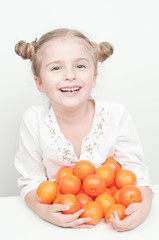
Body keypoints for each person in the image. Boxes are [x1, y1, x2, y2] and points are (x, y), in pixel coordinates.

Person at [14, 28, 152, 231]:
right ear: (40, 83)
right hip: (57, 227)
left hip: (110, 222)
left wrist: (143, 207)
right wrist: (44, 212)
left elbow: (137, 175)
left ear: (94, 77)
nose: (70, 75)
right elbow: (30, 181)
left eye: (80, 66)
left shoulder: (116, 114)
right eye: (56, 68)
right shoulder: (33, 119)